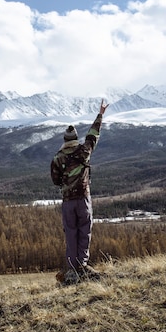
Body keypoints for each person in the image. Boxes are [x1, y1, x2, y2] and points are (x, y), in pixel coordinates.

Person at [50, 99, 109, 283]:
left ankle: (72, 267)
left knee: (71, 232)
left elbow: (55, 180)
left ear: (64, 140)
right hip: (83, 198)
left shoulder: (57, 158)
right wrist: (100, 115)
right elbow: (93, 136)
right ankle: (83, 264)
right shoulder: (84, 151)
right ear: (75, 138)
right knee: (85, 230)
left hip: (68, 201)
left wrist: (65, 183)